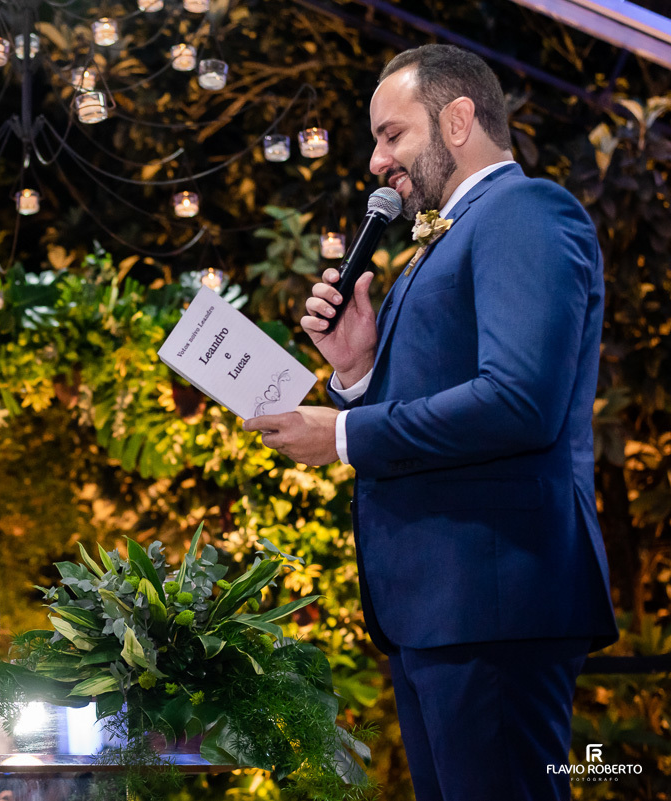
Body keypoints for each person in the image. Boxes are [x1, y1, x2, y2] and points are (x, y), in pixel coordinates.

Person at [243, 45, 617, 800]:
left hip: (496, 597)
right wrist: (356, 372)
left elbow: (519, 401)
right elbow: (440, 398)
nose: (377, 162)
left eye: (391, 135)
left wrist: (342, 436)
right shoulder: (437, 248)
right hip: (443, 609)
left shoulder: (525, 211)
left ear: (457, 119)